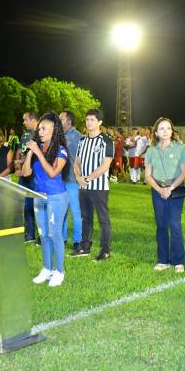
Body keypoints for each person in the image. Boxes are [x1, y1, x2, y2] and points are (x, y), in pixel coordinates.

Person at [23, 113, 69, 287]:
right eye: (39, 128)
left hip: (56, 197)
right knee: (43, 234)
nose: (40, 131)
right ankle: (47, 268)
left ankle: (59, 271)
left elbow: (52, 173)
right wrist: (30, 154)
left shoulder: (61, 150)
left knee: (54, 234)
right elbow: (26, 173)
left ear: (54, 130)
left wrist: (38, 153)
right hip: (39, 196)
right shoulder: (37, 148)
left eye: (44, 128)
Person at [145, 117, 185, 273]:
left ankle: (178, 261)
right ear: (156, 132)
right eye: (162, 128)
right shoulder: (151, 151)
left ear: (172, 131)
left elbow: (184, 173)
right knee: (161, 225)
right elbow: (148, 176)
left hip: (175, 189)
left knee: (174, 224)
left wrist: (170, 188)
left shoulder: (180, 148)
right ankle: (163, 260)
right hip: (158, 190)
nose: (165, 131)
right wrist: (159, 189)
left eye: (168, 128)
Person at [71, 108, 114, 261]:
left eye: (92, 120)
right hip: (83, 186)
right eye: (87, 119)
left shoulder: (106, 140)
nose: (89, 122)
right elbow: (77, 162)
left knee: (103, 219)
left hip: (99, 187)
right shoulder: (82, 140)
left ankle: (105, 250)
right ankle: (84, 247)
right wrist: (78, 177)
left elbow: (105, 165)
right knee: (86, 218)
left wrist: (87, 178)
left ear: (99, 122)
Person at [60, 110, 83, 252]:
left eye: (61, 118)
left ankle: (77, 241)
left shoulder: (78, 137)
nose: (58, 120)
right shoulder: (60, 136)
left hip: (73, 180)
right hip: (60, 180)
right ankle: (61, 239)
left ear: (69, 121)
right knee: (62, 211)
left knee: (75, 211)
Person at [14, 111, 39, 243]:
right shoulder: (26, 134)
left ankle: (42, 235)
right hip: (23, 174)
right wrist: (18, 167)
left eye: (25, 120)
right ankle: (29, 234)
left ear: (32, 120)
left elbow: (36, 154)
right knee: (25, 204)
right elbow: (19, 151)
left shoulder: (41, 133)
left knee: (38, 205)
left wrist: (21, 162)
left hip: (35, 175)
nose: (23, 122)